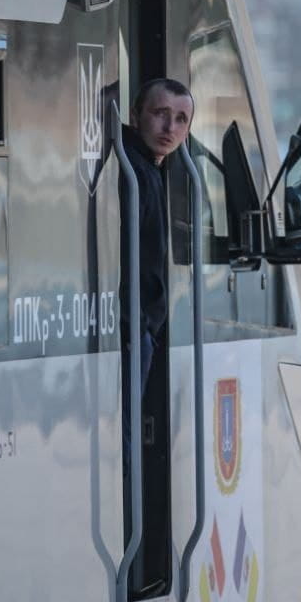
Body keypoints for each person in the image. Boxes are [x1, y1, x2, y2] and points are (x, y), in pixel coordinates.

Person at [118, 78, 193, 454]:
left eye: (180, 119)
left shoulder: (146, 169)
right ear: (135, 116)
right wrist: (140, 326)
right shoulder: (133, 171)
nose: (170, 128)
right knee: (124, 442)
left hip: (138, 329)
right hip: (131, 331)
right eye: (160, 114)